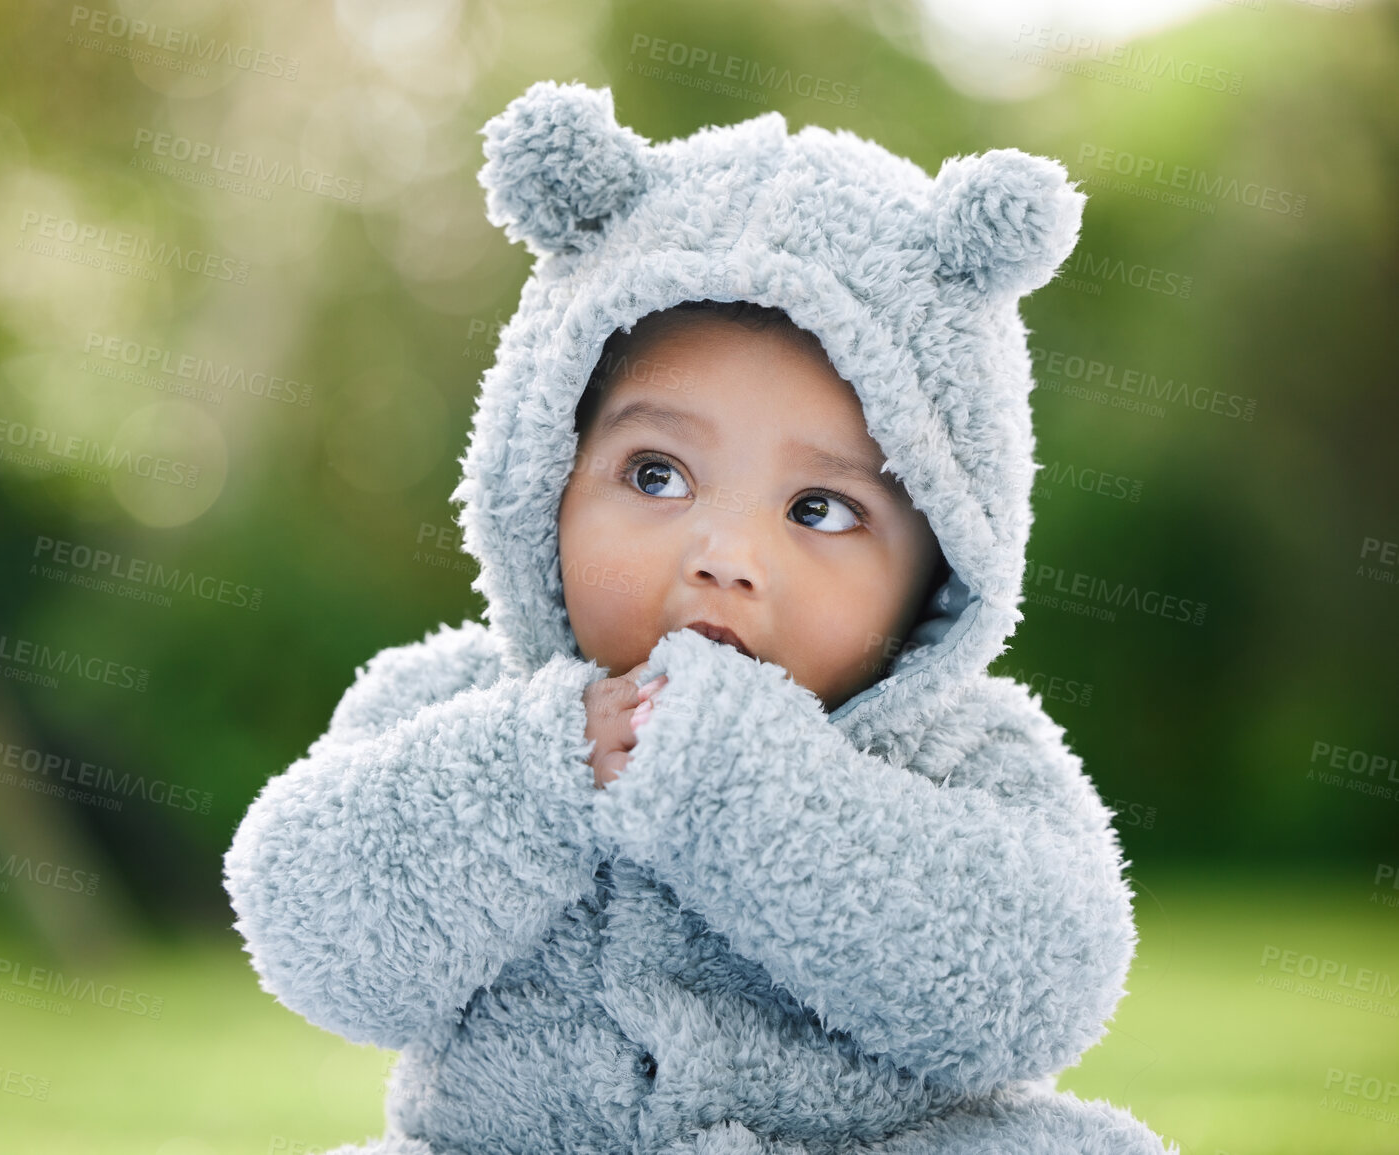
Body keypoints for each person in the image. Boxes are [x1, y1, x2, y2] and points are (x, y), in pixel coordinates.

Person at [224, 80, 1176, 1155]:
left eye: (821, 509)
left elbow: (1030, 990)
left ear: (939, 573)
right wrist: (540, 772)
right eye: (657, 474)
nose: (725, 557)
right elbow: (318, 937)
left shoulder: (964, 759)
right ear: (545, 481)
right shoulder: (449, 706)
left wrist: (750, 791)